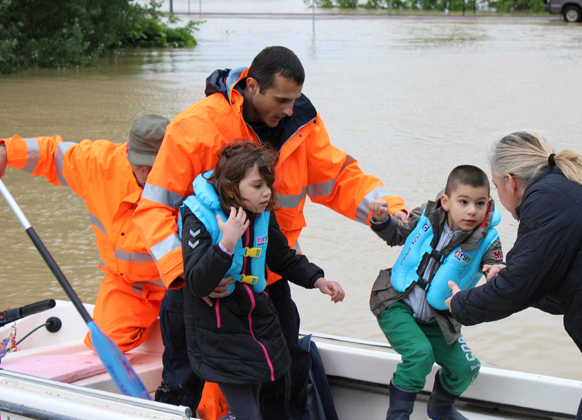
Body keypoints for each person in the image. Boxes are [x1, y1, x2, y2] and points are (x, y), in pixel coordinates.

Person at [134, 45, 407, 418]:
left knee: (283, 376)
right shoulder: (194, 129)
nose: (289, 110)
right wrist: (186, 274)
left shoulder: (302, 127)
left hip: (267, 279)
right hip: (197, 290)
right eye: (281, 100)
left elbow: (341, 179)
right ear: (252, 87)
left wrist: (391, 210)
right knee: (185, 384)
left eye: (294, 100)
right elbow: (154, 209)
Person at [446, 131, 582, 420]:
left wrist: (459, 303)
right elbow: (553, 286)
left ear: (510, 182)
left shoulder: (547, 197)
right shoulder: (568, 187)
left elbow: (516, 289)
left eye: (495, 186)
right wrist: (507, 275)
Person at [181, 140, 345, 420]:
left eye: (268, 184)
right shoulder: (198, 217)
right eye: (257, 186)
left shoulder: (261, 215)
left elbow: (282, 257)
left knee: (251, 408)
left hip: (254, 320)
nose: (267, 192)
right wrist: (226, 244)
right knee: (247, 414)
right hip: (217, 329)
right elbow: (197, 281)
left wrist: (317, 279)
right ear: (232, 189)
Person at [0, 115, 169, 354]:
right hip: (128, 287)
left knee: (196, 345)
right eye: (141, 164)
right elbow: (52, 154)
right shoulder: (99, 164)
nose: (147, 173)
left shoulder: (186, 174)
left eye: (155, 165)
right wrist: (5, 153)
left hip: (179, 284)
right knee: (105, 345)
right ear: (128, 151)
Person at [368, 165, 504, 420]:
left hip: (438, 318)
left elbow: (496, 264)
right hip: (397, 304)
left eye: (480, 203)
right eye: (463, 202)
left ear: (488, 204)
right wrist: (381, 219)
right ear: (446, 201)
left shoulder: (489, 239)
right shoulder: (425, 215)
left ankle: (440, 409)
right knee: (420, 355)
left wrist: (496, 272)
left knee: (466, 369)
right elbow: (396, 234)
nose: (472, 210)